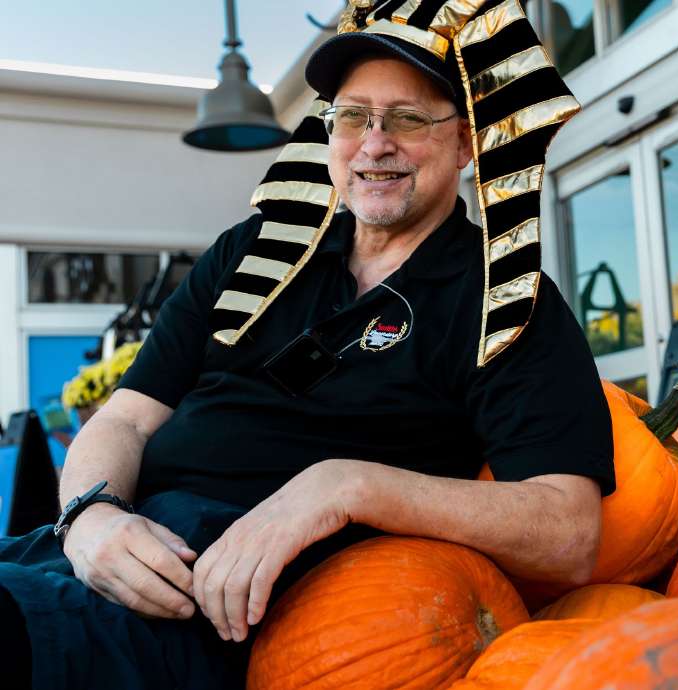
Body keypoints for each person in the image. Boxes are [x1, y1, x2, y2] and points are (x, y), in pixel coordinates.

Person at [0, 1, 612, 687]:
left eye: (408, 118)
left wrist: (345, 486)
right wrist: (90, 516)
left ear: (467, 141)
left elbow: (568, 533)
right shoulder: (251, 252)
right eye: (352, 117)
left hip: (230, 611)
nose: (374, 144)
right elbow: (127, 417)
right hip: (104, 551)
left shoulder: (503, 296)